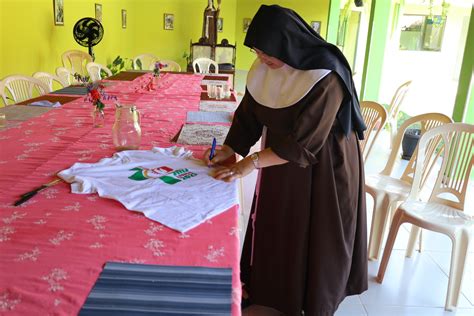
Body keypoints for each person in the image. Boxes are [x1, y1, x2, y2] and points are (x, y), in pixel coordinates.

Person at [203, 5, 368, 316]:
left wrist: (251, 162)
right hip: (280, 158)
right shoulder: (267, 67)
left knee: (319, 231)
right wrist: (230, 148)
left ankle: (313, 300)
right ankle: (275, 291)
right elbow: (249, 115)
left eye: (268, 54)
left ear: (287, 43)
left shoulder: (326, 74)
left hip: (325, 164)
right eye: (257, 52)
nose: (262, 60)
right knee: (280, 222)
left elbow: (306, 142)